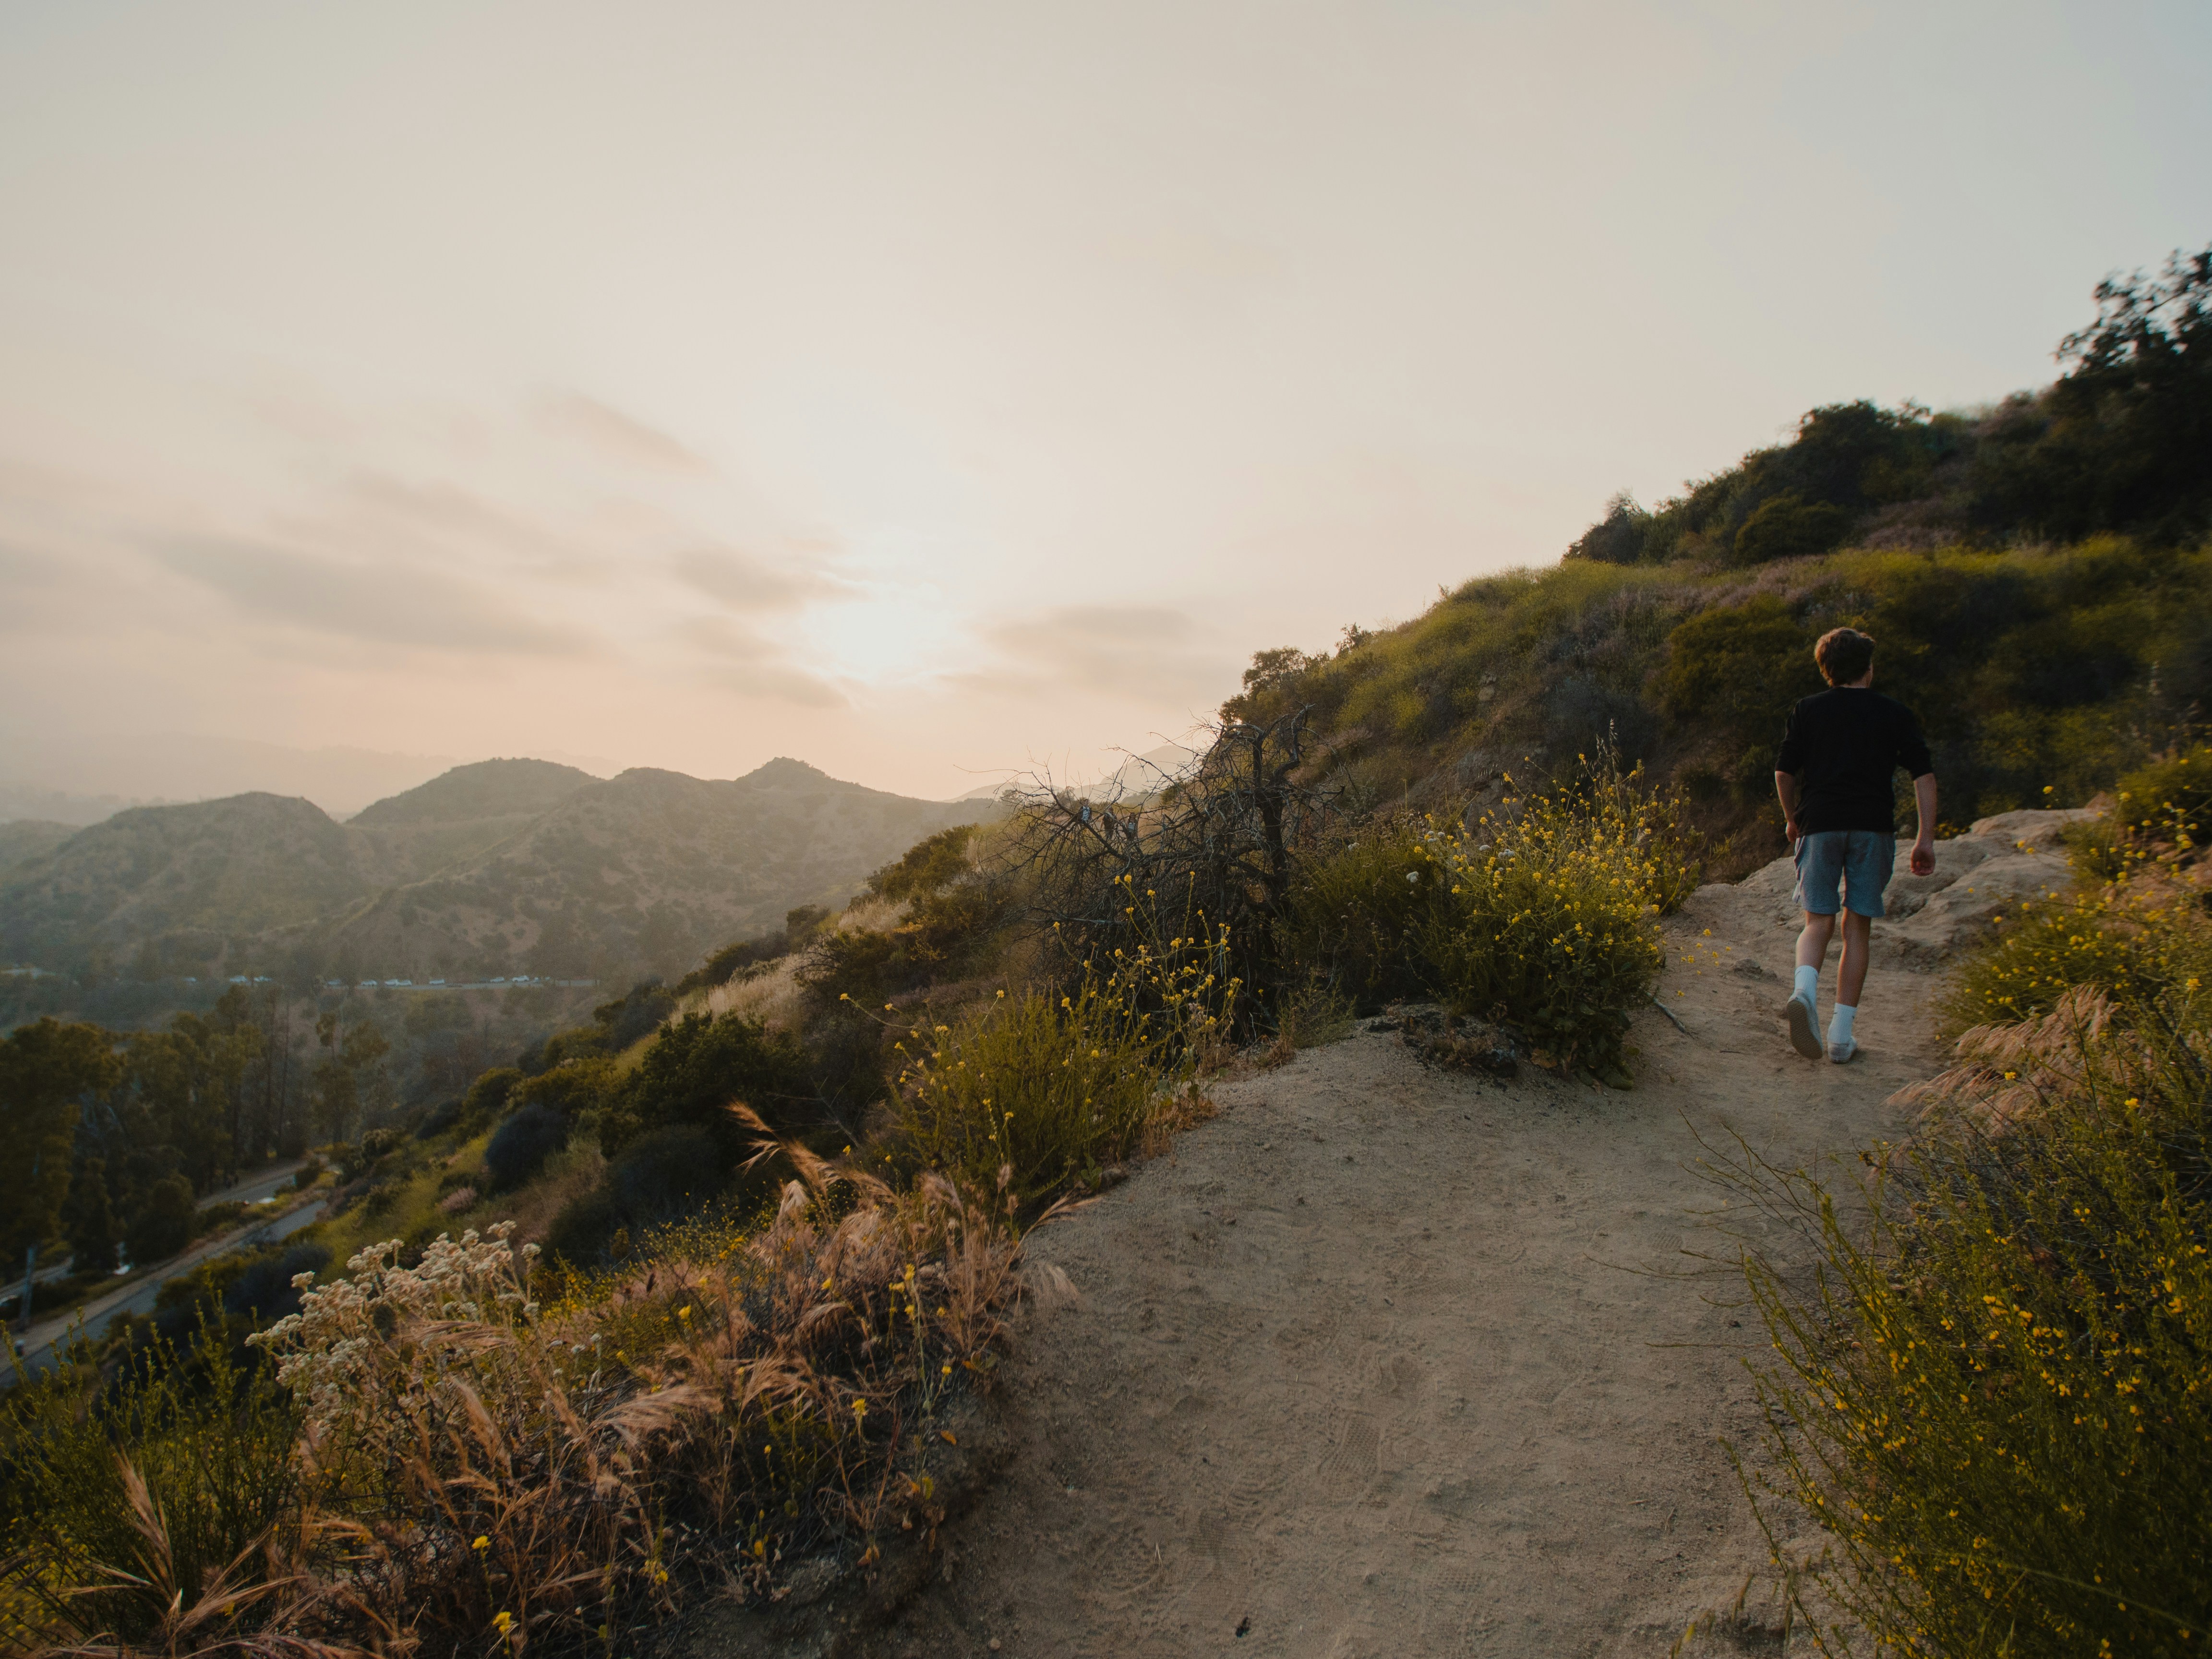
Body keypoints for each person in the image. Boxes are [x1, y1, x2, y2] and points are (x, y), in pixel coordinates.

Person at [1773, 627, 1936, 1063]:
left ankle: (1804, 992)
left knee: (1817, 922)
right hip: (1872, 828)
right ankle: (1842, 1038)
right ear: (1869, 668)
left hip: (1820, 824)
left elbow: (1784, 773)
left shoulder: (1807, 710)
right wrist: (1925, 838)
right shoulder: (1894, 713)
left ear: (1826, 670)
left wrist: (1792, 820)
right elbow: (1924, 775)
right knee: (1856, 927)